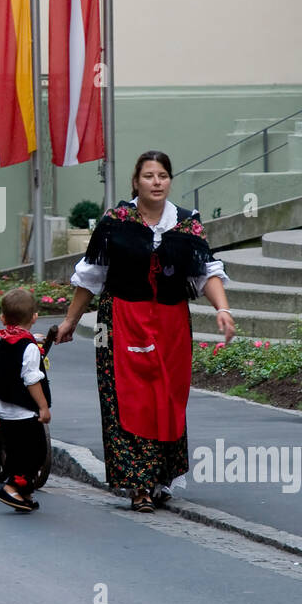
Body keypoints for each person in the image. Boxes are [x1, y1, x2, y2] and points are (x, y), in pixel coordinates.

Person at [55, 150, 234, 513]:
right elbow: (91, 275)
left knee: (167, 396)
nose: (157, 182)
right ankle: (137, 485)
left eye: (163, 175)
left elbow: (205, 272)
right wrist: (70, 321)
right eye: (149, 176)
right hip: (122, 319)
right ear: (136, 182)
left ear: (169, 181)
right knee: (130, 397)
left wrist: (223, 309)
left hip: (170, 323)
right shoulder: (116, 221)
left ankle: (161, 478)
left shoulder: (186, 223)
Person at [0, 288, 51, 513]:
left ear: (3, 318)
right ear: (35, 317)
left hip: (5, 410)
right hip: (25, 411)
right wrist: (43, 407)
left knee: (16, 453)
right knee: (36, 453)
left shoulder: (6, 340)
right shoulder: (29, 348)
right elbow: (31, 380)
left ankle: (23, 494)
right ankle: (12, 487)